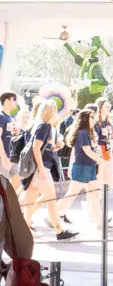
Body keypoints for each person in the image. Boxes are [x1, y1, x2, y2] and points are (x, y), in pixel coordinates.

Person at [19, 100, 77, 239]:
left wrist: (54, 147)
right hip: (42, 168)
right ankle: (59, 231)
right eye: (55, 110)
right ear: (51, 112)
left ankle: (21, 227)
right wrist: (42, 169)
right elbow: (35, 148)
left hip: (42, 168)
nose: (57, 113)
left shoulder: (45, 127)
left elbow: (42, 148)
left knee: (29, 199)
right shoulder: (44, 126)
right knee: (50, 199)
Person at [56, 108, 104, 230]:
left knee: (93, 197)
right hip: (83, 167)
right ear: (85, 119)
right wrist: (100, 160)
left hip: (88, 167)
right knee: (72, 195)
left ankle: (101, 224)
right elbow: (87, 151)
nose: (94, 119)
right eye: (92, 117)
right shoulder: (83, 133)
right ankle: (53, 215)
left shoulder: (86, 133)